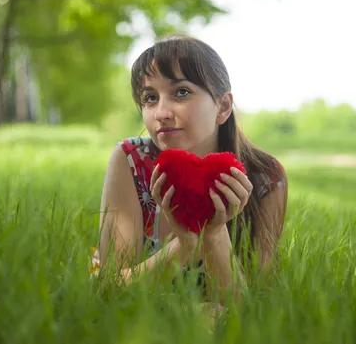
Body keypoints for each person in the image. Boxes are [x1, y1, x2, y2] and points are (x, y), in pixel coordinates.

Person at [92, 35, 288, 301]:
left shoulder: (266, 177)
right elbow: (107, 288)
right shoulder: (132, 161)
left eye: (181, 92)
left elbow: (250, 308)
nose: (161, 112)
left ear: (223, 106)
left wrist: (215, 232)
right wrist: (184, 244)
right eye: (150, 98)